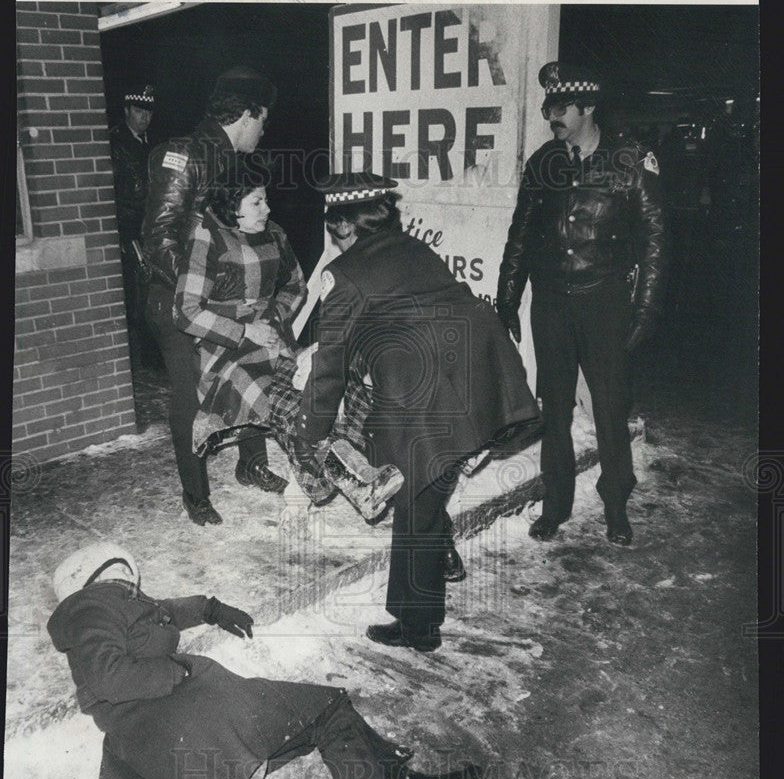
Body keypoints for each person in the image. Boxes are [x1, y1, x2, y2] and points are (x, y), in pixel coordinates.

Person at [47, 542, 481, 779]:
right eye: (124, 576)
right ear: (97, 577)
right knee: (326, 709)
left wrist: (211, 609)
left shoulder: (111, 607)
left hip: (184, 726)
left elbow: (163, 612)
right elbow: (110, 677)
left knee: (316, 719)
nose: (133, 584)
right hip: (184, 722)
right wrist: (174, 674)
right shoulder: (90, 609)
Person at [294, 174, 542, 654]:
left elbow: (329, 366)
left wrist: (311, 433)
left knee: (417, 511)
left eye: (333, 229)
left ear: (343, 226)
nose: (332, 239)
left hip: (426, 395)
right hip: (479, 379)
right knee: (420, 507)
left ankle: (419, 629)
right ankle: (414, 617)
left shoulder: (343, 275)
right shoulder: (414, 250)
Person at [496, 61, 666, 545]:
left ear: (588, 107)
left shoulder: (631, 161)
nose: (553, 115)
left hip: (605, 305)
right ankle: (556, 506)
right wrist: (508, 299)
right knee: (555, 413)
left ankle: (615, 504)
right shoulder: (543, 162)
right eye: (549, 106)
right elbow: (521, 235)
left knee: (610, 411)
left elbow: (656, 242)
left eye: (561, 107)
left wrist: (646, 310)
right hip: (551, 305)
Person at [174, 165, 404, 519]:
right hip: (226, 350)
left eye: (266, 200)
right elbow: (186, 311)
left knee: (329, 391)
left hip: (273, 338)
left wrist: (273, 316)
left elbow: (296, 285)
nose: (267, 209)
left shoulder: (273, 233)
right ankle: (349, 480)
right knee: (287, 409)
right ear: (232, 205)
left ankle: (368, 470)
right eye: (257, 202)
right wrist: (245, 330)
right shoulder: (207, 236)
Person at [142, 66, 277, 526]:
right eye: (263, 119)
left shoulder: (236, 164)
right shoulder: (180, 155)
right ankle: (195, 494)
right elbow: (160, 239)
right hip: (177, 302)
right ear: (247, 114)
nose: (264, 130)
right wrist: (210, 287)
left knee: (251, 370)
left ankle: (252, 462)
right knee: (190, 397)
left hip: (222, 299)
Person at [109, 82, 159, 367]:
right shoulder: (114, 143)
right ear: (127, 110)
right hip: (129, 229)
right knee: (139, 291)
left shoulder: (152, 142)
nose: (144, 117)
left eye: (148, 112)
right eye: (139, 110)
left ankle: (154, 353)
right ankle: (147, 358)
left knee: (155, 287)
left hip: (151, 226)